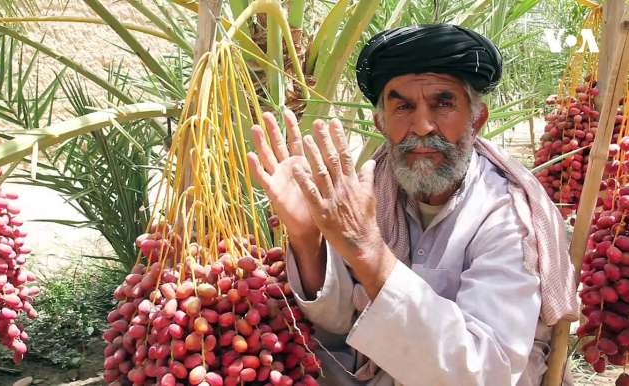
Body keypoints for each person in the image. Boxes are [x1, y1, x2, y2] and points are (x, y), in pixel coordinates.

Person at [246, 24, 580, 386]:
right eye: (403, 107)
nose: (421, 126)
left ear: (476, 120)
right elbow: (342, 320)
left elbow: (484, 373)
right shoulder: (371, 191)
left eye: (443, 103)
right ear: (382, 123)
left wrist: (371, 255)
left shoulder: (505, 216)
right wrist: (308, 238)